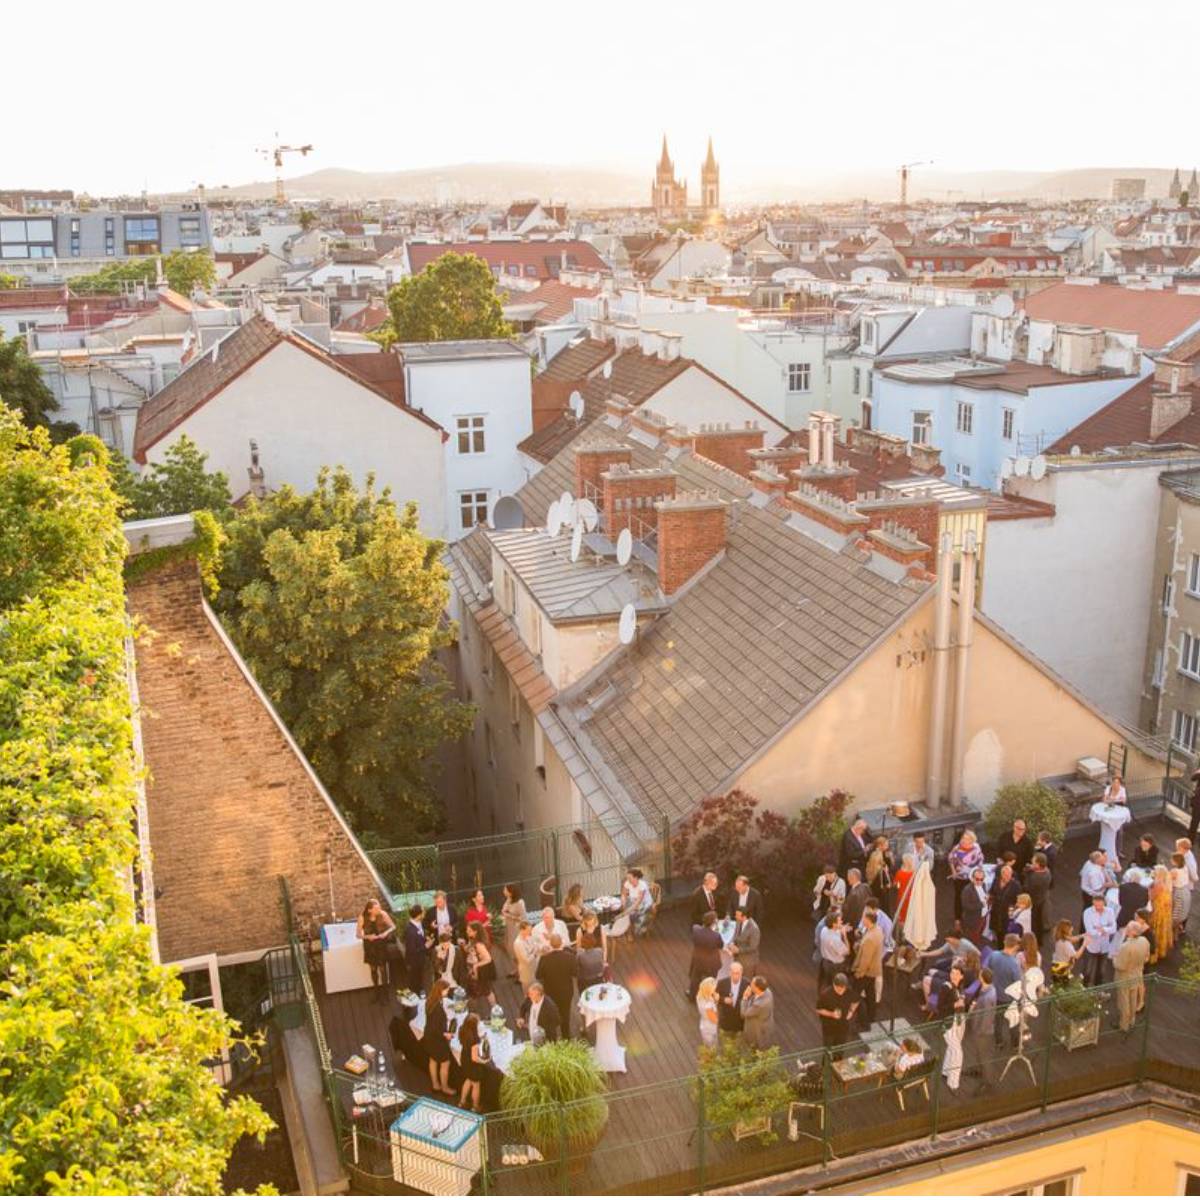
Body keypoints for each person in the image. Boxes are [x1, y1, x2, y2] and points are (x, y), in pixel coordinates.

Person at [535, 934, 578, 1038]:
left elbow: (538, 975)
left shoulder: (544, 959)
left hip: (551, 992)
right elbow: (575, 973)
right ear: (561, 943)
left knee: (551, 1015)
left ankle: (553, 1038)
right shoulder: (570, 957)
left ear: (550, 944)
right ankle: (566, 1037)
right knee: (565, 1014)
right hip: (566, 992)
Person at [1112, 922, 1150, 1033]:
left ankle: (1124, 1025)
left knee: (1124, 1002)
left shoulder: (1126, 947)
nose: (1126, 930)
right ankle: (1132, 1021)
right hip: (1137, 975)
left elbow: (1120, 966)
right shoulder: (1144, 941)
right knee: (1133, 999)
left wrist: (1114, 958)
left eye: (1128, 928)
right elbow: (1146, 958)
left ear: (1133, 932)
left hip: (1124, 977)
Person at [357, 899, 396, 1004]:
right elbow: (358, 935)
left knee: (383, 970)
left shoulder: (383, 914)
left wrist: (385, 933)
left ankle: (385, 995)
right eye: (376, 908)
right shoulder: (362, 917)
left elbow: (393, 927)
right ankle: (376, 992)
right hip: (370, 946)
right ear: (370, 910)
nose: (379, 909)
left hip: (381, 945)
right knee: (373, 969)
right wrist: (367, 936)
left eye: (379, 907)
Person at [965, 966, 997, 1093]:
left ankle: (988, 1082)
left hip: (983, 1032)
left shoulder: (988, 997)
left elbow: (987, 1018)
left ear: (982, 978)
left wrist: (980, 1031)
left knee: (984, 1057)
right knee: (979, 1053)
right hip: (979, 1029)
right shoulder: (987, 990)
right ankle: (978, 1070)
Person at [422, 980, 456, 1097]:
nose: (448, 991)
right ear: (441, 990)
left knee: (433, 1059)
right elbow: (438, 1030)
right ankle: (445, 1088)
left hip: (428, 1037)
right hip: (437, 1040)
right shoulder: (438, 1010)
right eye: (447, 989)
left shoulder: (430, 1001)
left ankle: (435, 1085)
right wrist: (447, 1035)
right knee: (445, 1063)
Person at [851, 910, 884, 1026]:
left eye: (864, 918)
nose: (862, 920)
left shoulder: (870, 938)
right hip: (875, 969)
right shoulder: (878, 930)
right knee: (870, 993)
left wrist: (859, 973)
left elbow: (865, 960)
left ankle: (854, 1017)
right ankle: (871, 1016)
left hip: (866, 971)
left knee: (855, 993)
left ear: (868, 920)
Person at [816, 972, 858, 1053]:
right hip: (829, 1026)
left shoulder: (849, 992)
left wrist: (851, 1011)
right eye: (839, 988)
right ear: (834, 985)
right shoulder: (825, 994)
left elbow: (856, 1001)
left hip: (843, 1026)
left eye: (843, 988)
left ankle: (838, 1064)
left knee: (840, 1049)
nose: (841, 990)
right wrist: (831, 1014)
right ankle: (826, 1064)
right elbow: (818, 1009)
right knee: (828, 1050)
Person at [1081, 894, 1116, 986]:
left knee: (1101, 972)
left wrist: (1103, 929)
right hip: (1091, 946)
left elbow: (1114, 928)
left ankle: (1098, 990)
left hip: (1104, 947)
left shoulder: (1110, 911)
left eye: (1100, 905)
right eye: (1096, 905)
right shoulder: (1087, 913)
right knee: (1087, 970)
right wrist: (1104, 930)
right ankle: (1084, 988)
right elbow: (1090, 931)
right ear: (1093, 903)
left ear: (1104, 903)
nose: (1098, 908)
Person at [688, 912, 724, 1001]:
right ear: (713, 923)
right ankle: (707, 997)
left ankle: (692, 996)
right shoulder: (716, 935)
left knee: (695, 978)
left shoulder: (695, 929)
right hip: (711, 962)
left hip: (698, 959)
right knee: (711, 980)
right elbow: (720, 945)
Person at [949, 831, 983, 919]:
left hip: (971, 877)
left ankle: (969, 915)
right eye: (963, 838)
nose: (963, 840)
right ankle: (958, 919)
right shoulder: (957, 848)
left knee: (971, 896)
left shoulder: (976, 848)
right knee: (959, 898)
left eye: (966, 839)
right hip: (960, 878)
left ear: (972, 840)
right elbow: (951, 859)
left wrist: (978, 871)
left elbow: (980, 859)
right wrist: (953, 871)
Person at [457, 1014, 485, 1112]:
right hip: (472, 1065)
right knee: (476, 1085)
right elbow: (475, 1058)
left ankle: (462, 1101)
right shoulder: (474, 1039)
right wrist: (485, 1061)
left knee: (468, 1080)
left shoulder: (462, 1031)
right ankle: (475, 1107)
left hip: (464, 1060)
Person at [466, 921, 497, 1006]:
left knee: (486, 991)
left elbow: (488, 958)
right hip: (472, 969)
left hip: (479, 971)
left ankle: (494, 1009)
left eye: (469, 931)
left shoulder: (479, 944)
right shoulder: (472, 940)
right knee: (476, 991)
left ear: (475, 931)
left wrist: (476, 966)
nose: (467, 932)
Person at [740, 975, 776, 1050]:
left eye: (752, 984)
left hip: (757, 1032)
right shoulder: (767, 991)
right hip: (765, 1025)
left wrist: (745, 998)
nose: (750, 984)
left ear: (757, 988)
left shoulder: (759, 1005)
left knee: (755, 1049)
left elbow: (744, 1013)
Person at [1023, 852, 1052, 944]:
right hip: (1042, 898)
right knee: (1039, 919)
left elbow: (1026, 887)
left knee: (1034, 921)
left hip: (1034, 900)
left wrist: (1027, 872)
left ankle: (1034, 940)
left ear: (1038, 864)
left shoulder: (1035, 878)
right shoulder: (1047, 871)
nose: (1032, 862)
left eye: (1034, 862)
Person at [1149, 864, 1176, 962]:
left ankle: (1154, 954)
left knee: (1155, 931)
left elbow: (1151, 897)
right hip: (1165, 911)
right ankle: (1161, 951)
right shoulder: (1166, 882)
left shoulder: (1158, 884)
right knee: (1161, 931)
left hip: (1158, 911)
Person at [715, 962, 747, 1040]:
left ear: (742, 972)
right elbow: (714, 996)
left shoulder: (747, 984)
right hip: (725, 1021)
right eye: (733, 973)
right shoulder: (722, 983)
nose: (735, 976)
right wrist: (723, 1000)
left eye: (737, 973)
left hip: (740, 1023)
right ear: (729, 972)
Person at [818, 910, 850, 988]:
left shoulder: (824, 930)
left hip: (825, 962)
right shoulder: (835, 940)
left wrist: (842, 928)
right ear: (834, 924)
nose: (842, 922)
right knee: (835, 985)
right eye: (839, 921)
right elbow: (847, 951)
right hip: (835, 966)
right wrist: (845, 936)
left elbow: (835, 931)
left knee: (825, 982)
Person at [990, 863, 1020, 945]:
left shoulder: (1016, 885)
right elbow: (992, 892)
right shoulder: (996, 880)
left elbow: (1017, 900)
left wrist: (1012, 912)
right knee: (997, 931)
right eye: (1005, 875)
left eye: (1009, 875)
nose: (1008, 877)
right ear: (1001, 874)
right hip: (996, 911)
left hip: (1006, 913)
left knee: (1006, 932)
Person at [500, 883, 527, 977]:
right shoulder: (508, 900)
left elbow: (523, 918)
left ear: (510, 892)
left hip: (516, 928)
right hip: (509, 927)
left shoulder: (520, 902)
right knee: (510, 949)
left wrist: (508, 915)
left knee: (516, 949)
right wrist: (505, 913)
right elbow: (503, 910)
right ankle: (517, 968)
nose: (503, 891)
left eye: (505, 890)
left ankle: (522, 973)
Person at [865, 836, 895, 916]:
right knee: (883, 904)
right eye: (886, 845)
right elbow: (875, 869)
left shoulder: (884, 853)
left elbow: (889, 865)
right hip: (878, 883)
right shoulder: (876, 854)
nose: (887, 846)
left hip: (882, 881)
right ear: (880, 845)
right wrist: (884, 867)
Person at [961, 866, 990, 946]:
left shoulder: (983, 885)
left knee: (978, 935)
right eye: (977, 879)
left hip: (982, 916)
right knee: (972, 940)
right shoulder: (967, 890)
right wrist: (981, 904)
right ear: (972, 878)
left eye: (981, 879)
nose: (979, 881)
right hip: (973, 919)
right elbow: (966, 905)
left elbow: (983, 897)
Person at [403, 904, 428, 994]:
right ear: (419, 915)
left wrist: (425, 939)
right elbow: (412, 950)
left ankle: (419, 992)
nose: (424, 913)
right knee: (412, 982)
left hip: (420, 959)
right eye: (423, 911)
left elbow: (420, 937)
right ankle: (408, 1004)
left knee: (419, 979)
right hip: (414, 961)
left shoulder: (419, 923)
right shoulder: (410, 931)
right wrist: (426, 946)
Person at [1079, 851, 1112, 919]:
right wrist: (1107, 884)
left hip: (1086, 892)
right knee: (1091, 914)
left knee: (1086, 910)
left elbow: (1081, 873)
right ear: (1097, 861)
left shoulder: (1088, 862)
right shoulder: (1094, 872)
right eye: (1102, 858)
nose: (1104, 858)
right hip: (1092, 896)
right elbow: (1096, 888)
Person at [622, 868, 654, 934]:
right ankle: (629, 932)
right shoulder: (628, 883)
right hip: (634, 901)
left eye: (629, 878)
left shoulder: (642, 885)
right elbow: (623, 894)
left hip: (644, 903)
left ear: (636, 877)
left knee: (630, 915)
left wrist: (627, 910)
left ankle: (639, 926)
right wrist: (623, 902)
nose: (628, 879)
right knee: (626, 914)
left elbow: (638, 902)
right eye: (627, 878)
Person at [732, 908, 761, 978]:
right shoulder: (739, 921)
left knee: (746, 981)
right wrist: (732, 943)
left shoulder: (754, 929)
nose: (735, 916)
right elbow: (736, 934)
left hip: (748, 961)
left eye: (737, 915)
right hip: (737, 959)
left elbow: (753, 947)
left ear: (744, 917)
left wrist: (738, 950)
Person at [842, 868, 873, 934]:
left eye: (848, 877)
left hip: (853, 925)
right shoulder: (866, 887)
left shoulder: (853, 894)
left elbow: (848, 912)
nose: (847, 879)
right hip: (866, 923)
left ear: (853, 877)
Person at [513, 920, 538, 992]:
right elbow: (526, 960)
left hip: (533, 968)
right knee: (528, 992)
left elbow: (535, 946)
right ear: (522, 930)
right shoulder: (518, 943)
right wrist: (534, 953)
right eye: (528, 930)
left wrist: (534, 951)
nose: (531, 932)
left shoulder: (528, 937)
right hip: (526, 971)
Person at [696, 976, 720, 1049]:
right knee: (711, 1049)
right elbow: (714, 1019)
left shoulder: (699, 997)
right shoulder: (708, 1005)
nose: (715, 989)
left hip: (704, 1023)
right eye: (714, 988)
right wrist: (716, 1001)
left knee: (707, 1047)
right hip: (710, 1028)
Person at [893, 854, 916, 926]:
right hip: (912, 896)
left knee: (902, 915)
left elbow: (896, 885)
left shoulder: (899, 873)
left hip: (902, 895)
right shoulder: (914, 873)